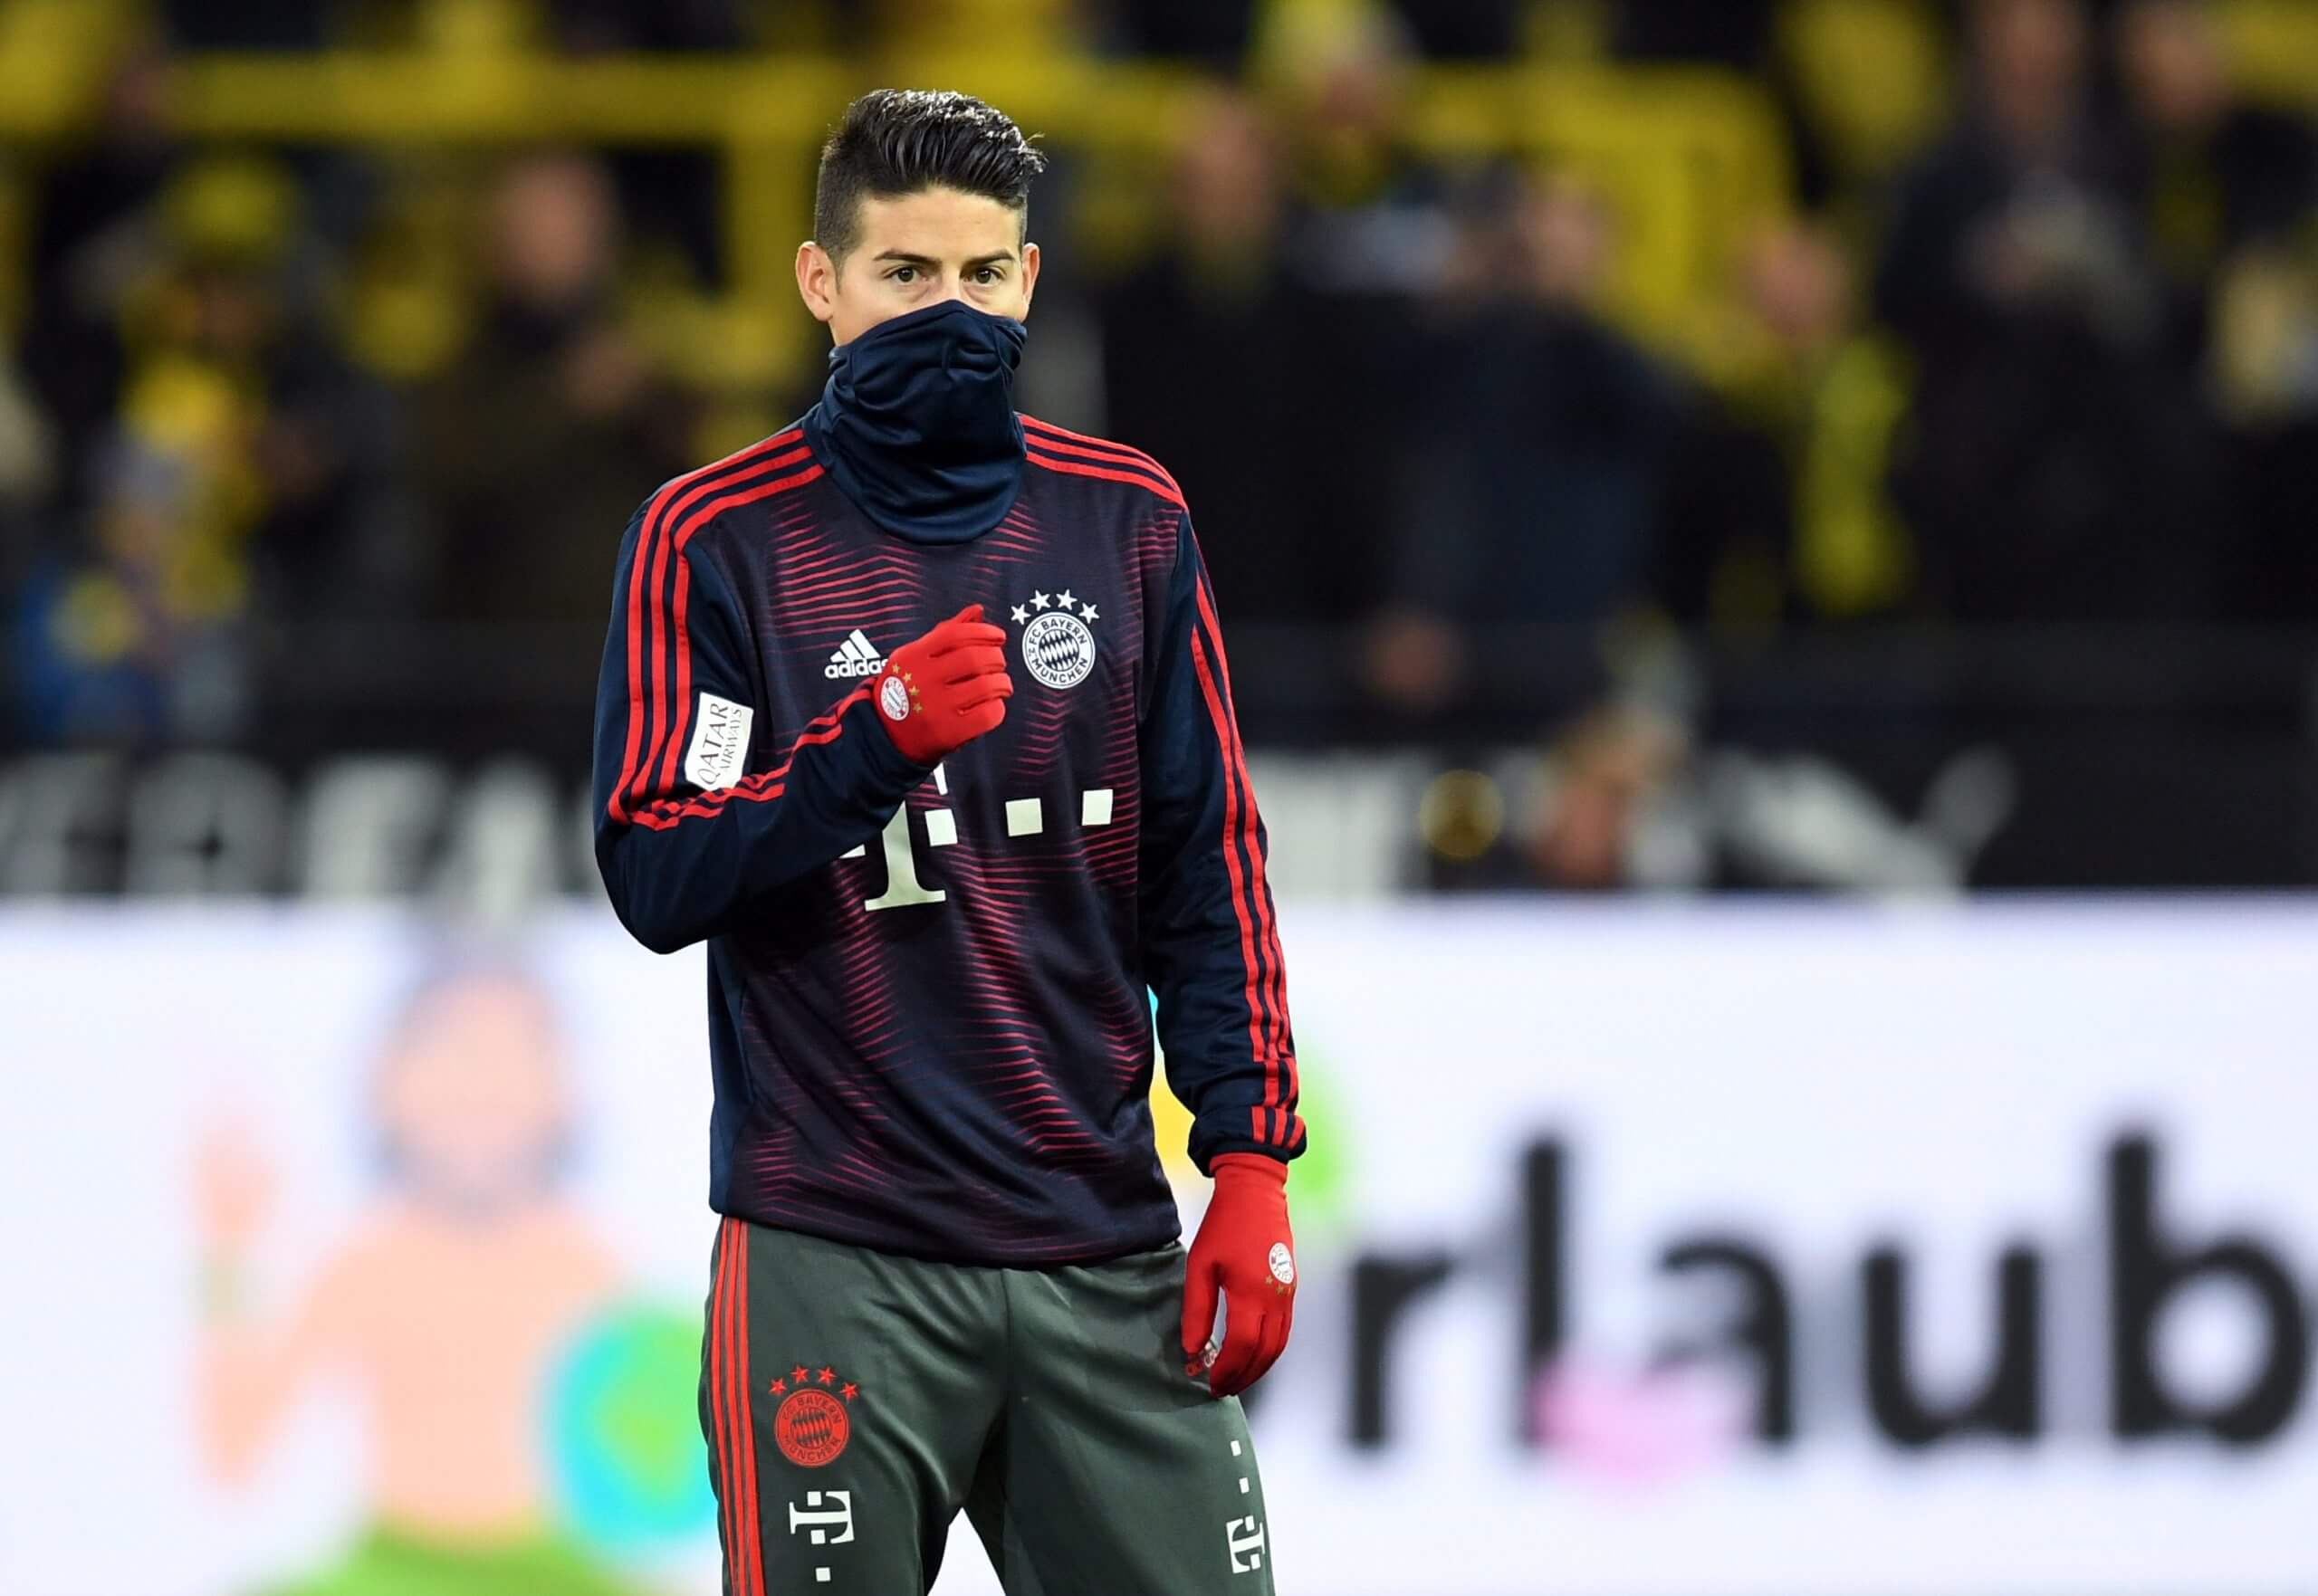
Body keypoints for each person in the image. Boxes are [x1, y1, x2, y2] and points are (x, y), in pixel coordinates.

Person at [589, 90, 1303, 1594]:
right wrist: (868, 751)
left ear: (1030, 285)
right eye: (907, 276)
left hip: (1099, 1245)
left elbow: (1208, 864)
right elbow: (658, 868)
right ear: (819, 284)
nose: (950, 310)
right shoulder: (714, 540)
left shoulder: (1128, 525)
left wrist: (1247, 1154)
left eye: (982, 277)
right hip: (834, 1250)